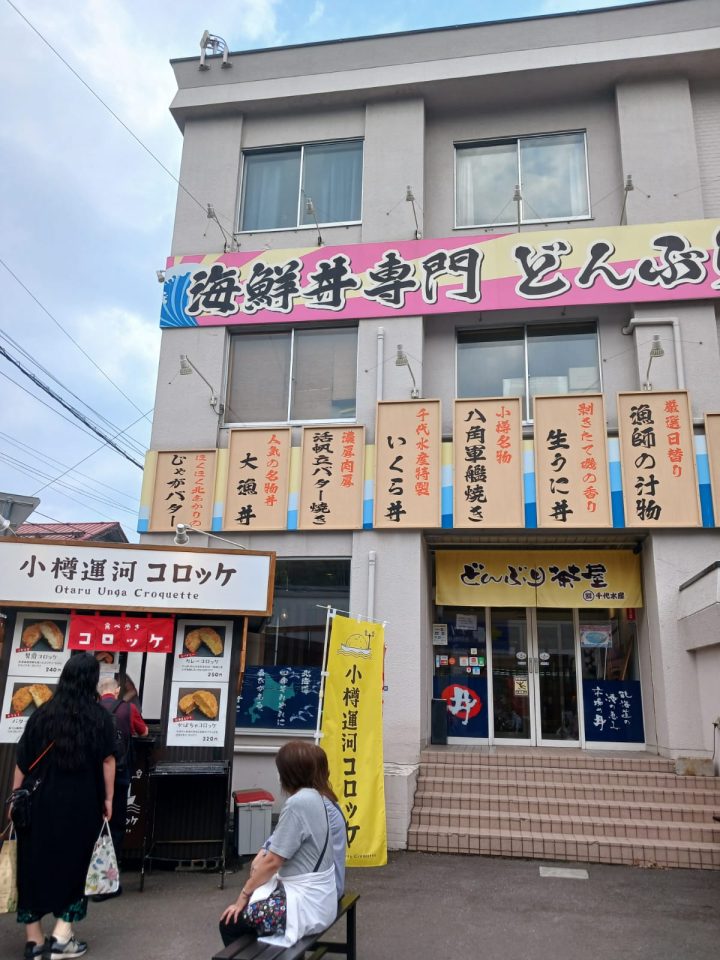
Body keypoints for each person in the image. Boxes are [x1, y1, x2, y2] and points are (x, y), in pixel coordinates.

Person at [10, 652, 115, 960]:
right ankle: (62, 935)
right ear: (92, 681)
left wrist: (16, 796)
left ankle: (34, 941)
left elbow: (23, 760)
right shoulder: (98, 717)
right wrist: (108, 799)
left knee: (32, 864)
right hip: (81, 804)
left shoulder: (42, 714)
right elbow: (108, 760)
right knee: (75, 865)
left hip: (37, 802)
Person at [219, 740, 337, 948]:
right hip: (321, 899)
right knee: (254, 903)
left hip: (306, 905)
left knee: (230, 922)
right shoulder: (315, 796)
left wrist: (242, 897)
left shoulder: (297, 803)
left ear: (288, 774)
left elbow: (273, 861)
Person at [94, 674, 148, 901]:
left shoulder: (91, 709)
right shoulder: (127, 709)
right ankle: (107, 883)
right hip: (119, 774)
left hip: (91, 776)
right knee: (114, 827)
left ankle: (85, 878)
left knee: (90, 825)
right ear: (116, 691)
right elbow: (143, 731)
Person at [312, 744, 347, 902]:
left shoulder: (312, 804)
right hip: (329, 885)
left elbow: (275, 856)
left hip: (319, 892)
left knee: (236, 921)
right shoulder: (326, 799)